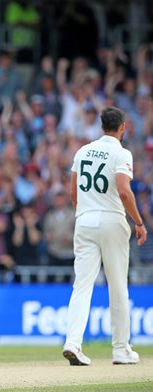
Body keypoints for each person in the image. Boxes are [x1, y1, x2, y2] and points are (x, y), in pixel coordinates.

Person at [63, 107, 147, 366]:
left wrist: (85, 213)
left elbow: (73, 192)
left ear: (101, 127)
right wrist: (139, 222)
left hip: (85, 220)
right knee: (118, 286)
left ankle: (73, 343)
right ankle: (121, 350)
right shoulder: (121, 153)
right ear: (122, 127)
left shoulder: (83, 150)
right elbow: (124, 190)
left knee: (82, 285)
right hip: (111, 219)